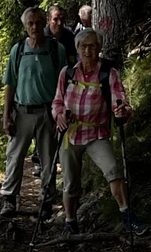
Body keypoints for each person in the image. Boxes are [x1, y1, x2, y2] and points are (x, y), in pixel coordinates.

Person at [52, 29, 142, 236]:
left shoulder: (108, 73)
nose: (87, 50)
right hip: (70, 134)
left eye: (92, 46)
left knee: (113, 172)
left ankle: (127, 216)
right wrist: (59, 115)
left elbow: (120, 100)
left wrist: (122, 111)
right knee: (70, 183)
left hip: (97, 133)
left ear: (99, 48)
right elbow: (57, 102)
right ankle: (70, 222)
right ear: (77, 48)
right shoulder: (67, 73)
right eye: (83, 46)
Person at [0, 7, 69, 217]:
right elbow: (10, 85)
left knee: (48, 160)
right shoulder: (18, 50)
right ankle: (9, 199)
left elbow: (65, 84)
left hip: (48, 113)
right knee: (14, 157)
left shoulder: (56, 50)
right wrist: (6, 116)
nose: (35, 27)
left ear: (44, 23)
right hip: (21, 112)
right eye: (30, 23)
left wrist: (61, 113)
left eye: (38, 22)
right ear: (25, 26)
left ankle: (46, 202)